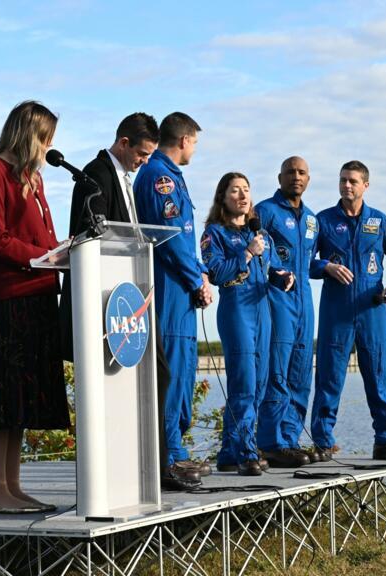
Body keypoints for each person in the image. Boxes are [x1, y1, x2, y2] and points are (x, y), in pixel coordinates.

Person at [0, 101, 70, 513]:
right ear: (29, 135)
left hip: (39, 297)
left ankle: (13, 486)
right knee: (0, 401)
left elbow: (39, 235)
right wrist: (44, 256)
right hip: (5, 300)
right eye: (46, 139)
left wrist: (62, 253)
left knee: (21, 402)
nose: (49, 148)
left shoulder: (34, 179)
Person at [310, 160, 386, 461]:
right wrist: (325, 266)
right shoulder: (323, 221)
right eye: (342, 180)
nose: (346, 186)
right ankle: (323, 442)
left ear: (366, 185)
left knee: (378, 375)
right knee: (329, 377)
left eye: (353, 181)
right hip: (336, 310)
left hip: (372, 308)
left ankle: (385, 440)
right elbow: (304, 260)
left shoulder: (379, 221)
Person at [133, 112, 212, 490]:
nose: (194, 149)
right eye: (195, 142)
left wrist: (201, 273)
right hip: (168, 287)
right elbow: (172, 237)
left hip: (181, 286)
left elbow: (184, 236)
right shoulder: (160, 177)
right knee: (170, 374)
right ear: (184, 140)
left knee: (182, 373)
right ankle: (167, 458)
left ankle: (176, 451)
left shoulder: (168, 175)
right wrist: (196, 278)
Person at [201, 172, 294, 476]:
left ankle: (229, 452)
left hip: (262, 309)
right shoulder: (215, 233)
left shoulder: (260, 235)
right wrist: (245, 253)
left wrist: (282, 278)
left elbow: (269, 269)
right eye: (234, 191)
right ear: (223, 198)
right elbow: (216, 272)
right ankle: (245, 451)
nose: (242, 196)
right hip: (236, 309)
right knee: (244, 383)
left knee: (261, 383)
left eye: (246, 190)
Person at [59, 113, 159, 362]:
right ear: (124, 142)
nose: (145, 162)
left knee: (158, 368)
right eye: (143, 154)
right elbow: (91, 235)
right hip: (103, 298)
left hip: (128, 293)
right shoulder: (96, 174)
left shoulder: (123, 178)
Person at [254, 157, 319, 468]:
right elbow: (255, 254)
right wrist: (274, 274)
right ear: (280, 177)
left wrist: (330, 266)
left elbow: (311, 261)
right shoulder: (265, 211)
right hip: (278, 298)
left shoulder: (311, 220)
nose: (296, 177)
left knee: (301, 371)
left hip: (305, 301)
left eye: (302, 172)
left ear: (309, 178)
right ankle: (271, 442)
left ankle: (290, 439)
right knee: (278, 370)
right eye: (290, 172)